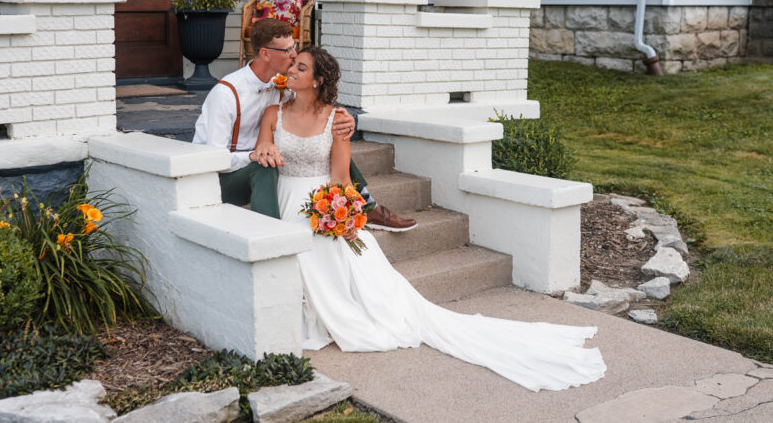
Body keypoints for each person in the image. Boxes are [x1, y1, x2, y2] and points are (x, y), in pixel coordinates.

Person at [253, 47, 606, 392]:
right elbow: (262, 150)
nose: (293, 71)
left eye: (301, 67)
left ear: (317, 80)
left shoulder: (336, 120)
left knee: (327, 252)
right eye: (294, 66)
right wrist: (263, 149)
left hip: (322, 202)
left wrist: (342, 216)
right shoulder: (273, 114)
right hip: (283, 200)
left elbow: (342, 178)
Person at [192, 18, 416, 229]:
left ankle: (366, 205)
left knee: (330, 137)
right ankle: (270, 236)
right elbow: (213, 159)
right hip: (225, 178)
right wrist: (253, 155)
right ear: (265, 54)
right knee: (265, 166)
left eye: (294, 46)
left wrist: (342, 119)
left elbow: (313, 108)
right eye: (287, 50)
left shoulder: (281, 82)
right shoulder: (226, 94)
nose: (294, 54)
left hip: (266, 159)